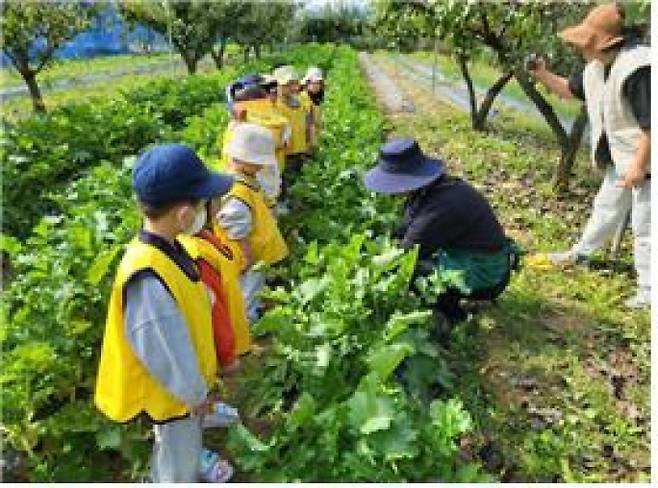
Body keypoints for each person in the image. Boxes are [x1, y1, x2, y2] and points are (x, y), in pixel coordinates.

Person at [94, 144, 234, 482]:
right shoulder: (146, 276)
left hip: (184, 393)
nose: (207, 210)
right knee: (177, 460)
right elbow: (165, 351)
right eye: (202, 203)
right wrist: (195, 395)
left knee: (180, 447)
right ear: (184, 215)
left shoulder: (171, 248)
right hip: (172, 399)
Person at [529, 3, 650, 309]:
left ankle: (649, 291)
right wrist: (542, 74)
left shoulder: (639, 69)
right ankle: (582, 253)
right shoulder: (596, 68)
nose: (580, 48)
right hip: (622, 159)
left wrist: (639, 165)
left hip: (645, 160)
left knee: (646, 226)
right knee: (606, 208)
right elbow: (569, 90)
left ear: (605, 43)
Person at [363, 138, 520, 325]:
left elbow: (406, 255)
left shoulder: (440, 208)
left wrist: (367, 267)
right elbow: (405, 228)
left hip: (485, 275)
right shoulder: (432, 190)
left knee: (410, 273)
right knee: (417, 264)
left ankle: (453, 313)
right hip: (476, 259)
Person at [217, 123, 289, 323]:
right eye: (257, 162)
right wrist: (246, 252)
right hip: (247, 253)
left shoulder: (246, 181)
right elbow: (234, 224)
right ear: (242, 160)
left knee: (254, 285)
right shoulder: (237, 191)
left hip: (255, 249)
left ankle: (252, 314)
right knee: (247, 289)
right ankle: (247, 324)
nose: (261, 167)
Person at [273, 65, 308, 183]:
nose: (293, 87)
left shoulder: (299, 102)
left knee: (298, 180)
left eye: (294, 83)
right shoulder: (275, 106)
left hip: (300, 150)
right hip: (285, 155)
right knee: (287, 182)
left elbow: (306, 124)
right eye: (288, 85)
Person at [300, 66, 325, 149]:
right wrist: (313, 143)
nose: (316, 86)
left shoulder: (317, 98)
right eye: (313, 83)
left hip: (315, 138)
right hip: (307, 140)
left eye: (318, 83)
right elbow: (309, 122)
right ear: (307, 84)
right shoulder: (304, 97)